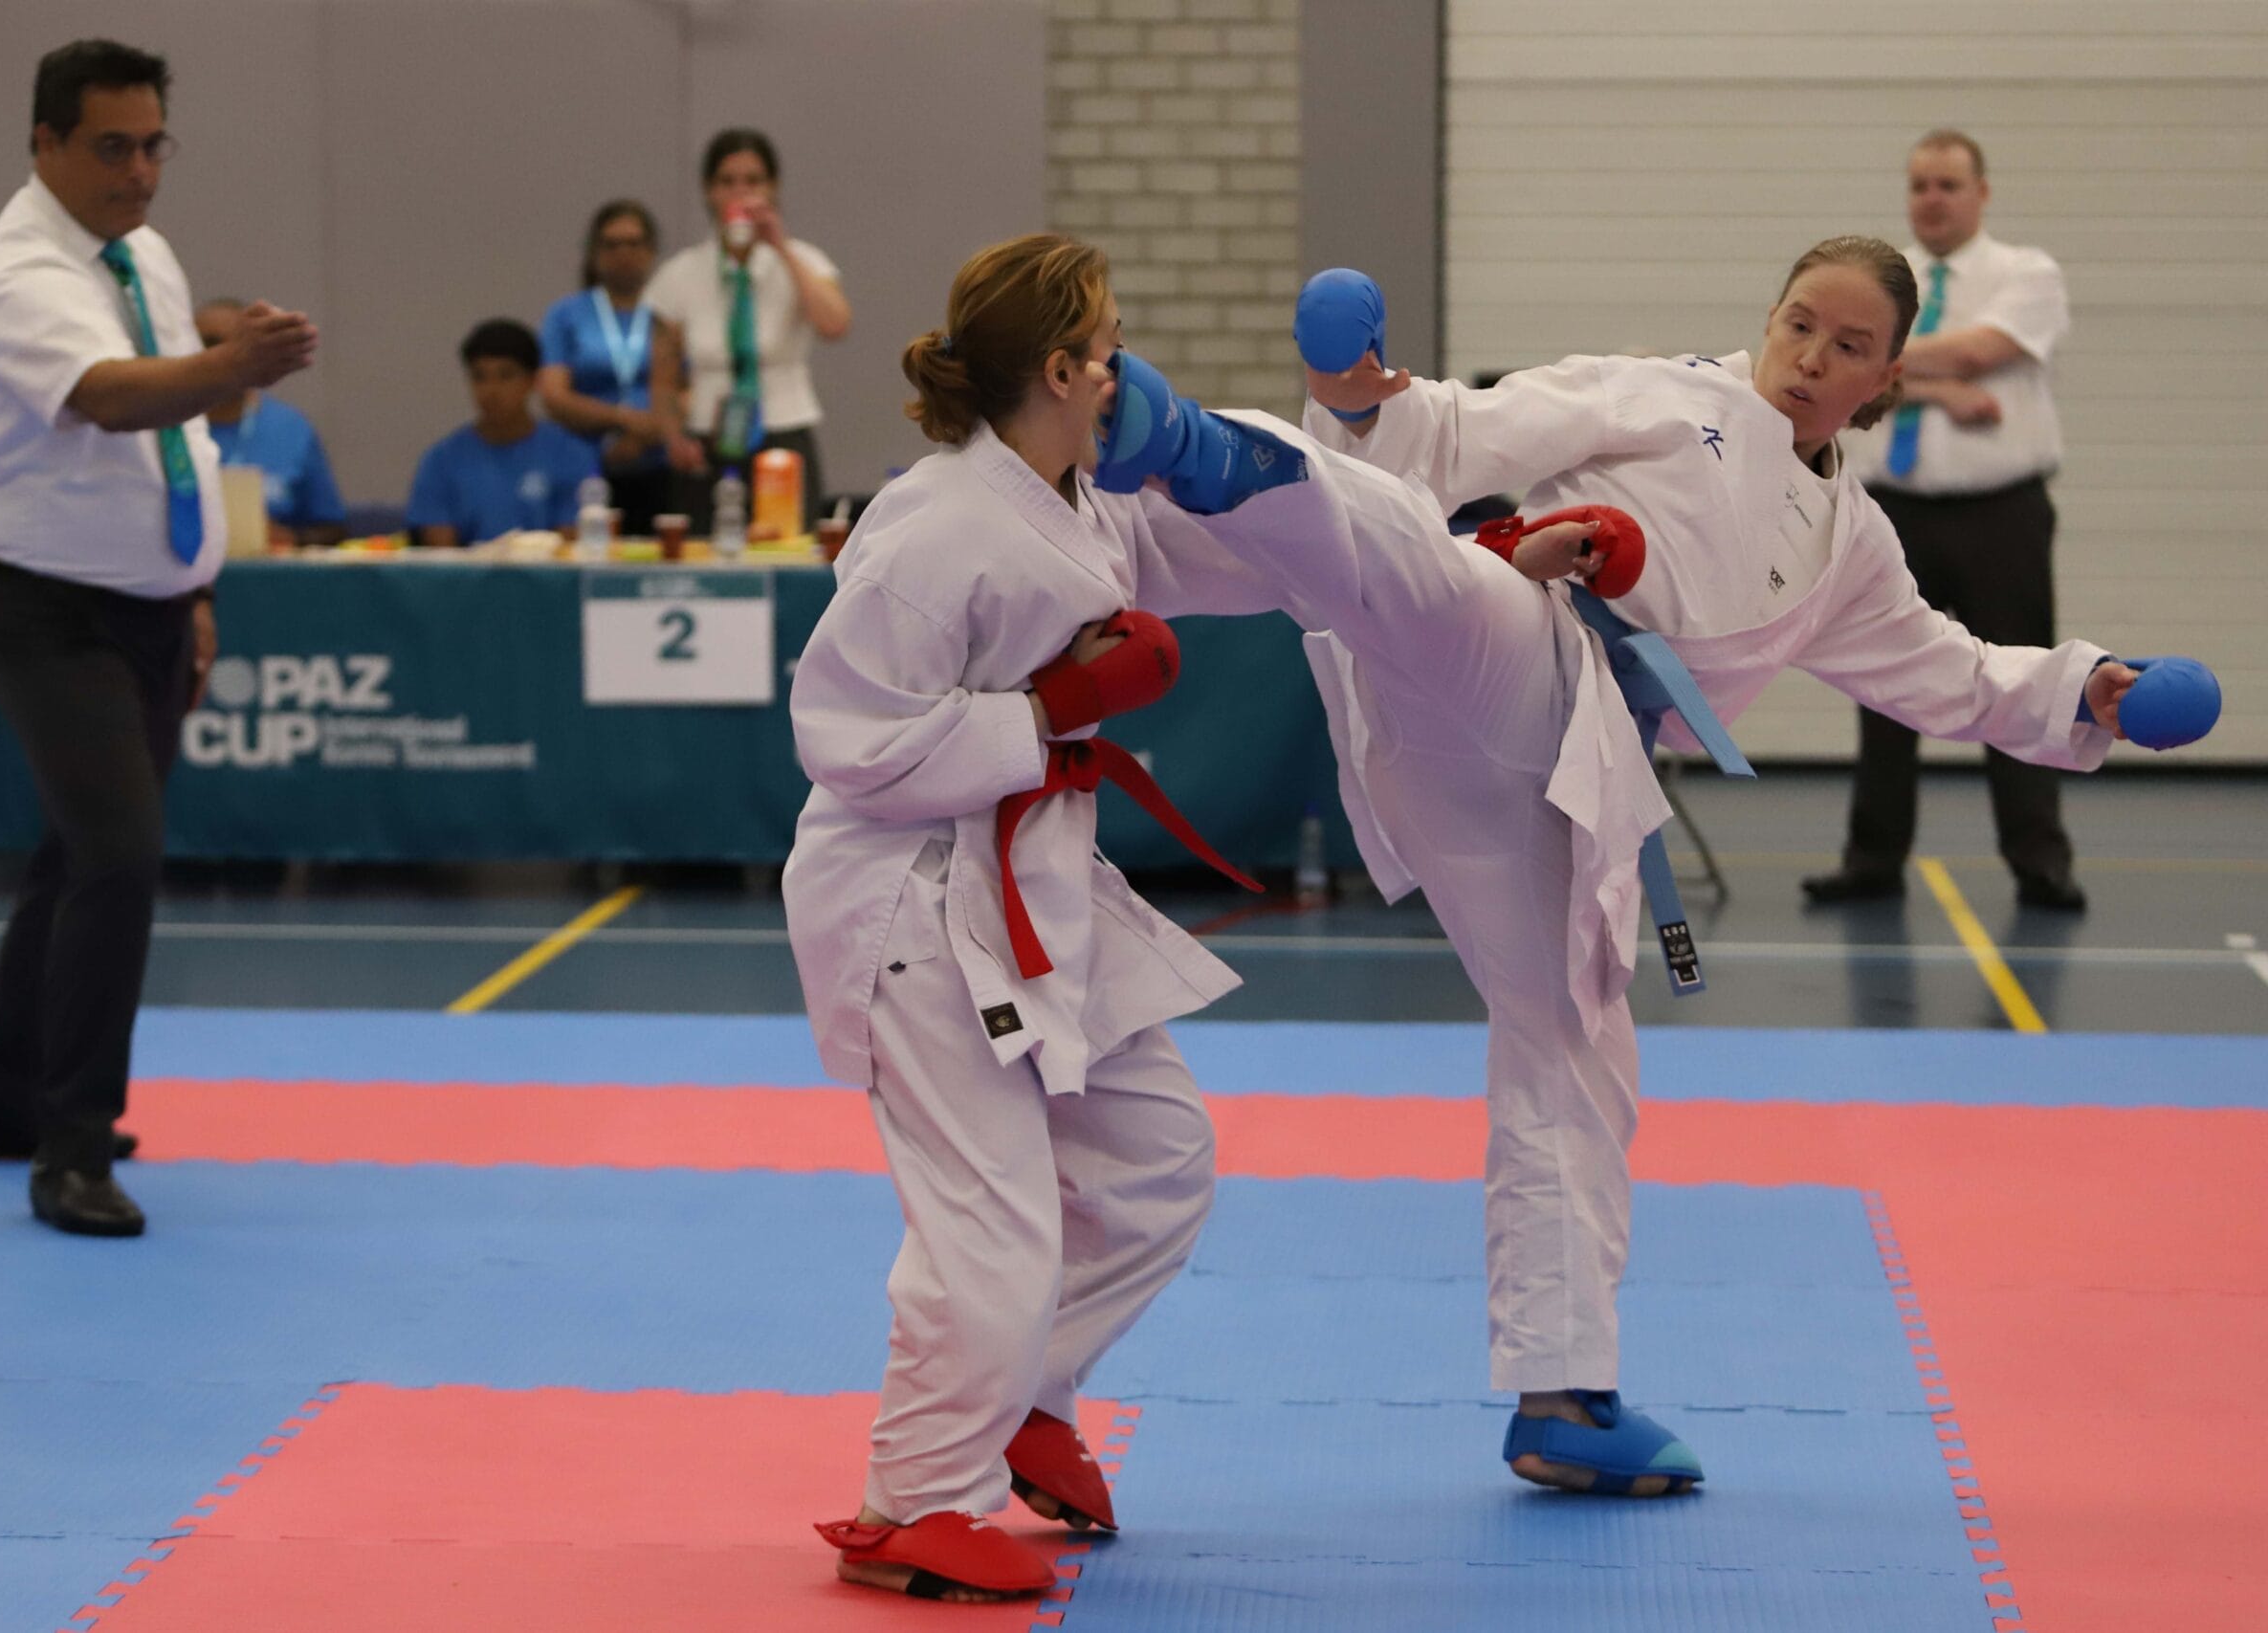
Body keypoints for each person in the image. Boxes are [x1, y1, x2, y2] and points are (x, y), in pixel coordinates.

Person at [1082, 235, 2168, 1500]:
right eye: (1800, 323)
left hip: (1571, 786)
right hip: (1519, 655)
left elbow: (1951, 670)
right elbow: (1468, 431)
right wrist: (1369, 396)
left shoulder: (1851, 547)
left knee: (1574, 1047)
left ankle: (1562, 1396)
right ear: (1769, 315)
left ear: (1885, 378)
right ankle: (1161, 468)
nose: (1811, 358)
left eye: (1849, 347)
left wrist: (2083, 688)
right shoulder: (1658, 393)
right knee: (1415, 570)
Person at [783, 232, 1289, 1603]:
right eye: (1111, 345)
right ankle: (914, 1500)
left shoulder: (1085, 495)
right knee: (991, 1222)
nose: (1126, 367)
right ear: (1061, 369)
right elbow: (842, 737)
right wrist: (1051, 708)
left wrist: (1435, 540)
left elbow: (1237, 558)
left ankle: (1027, 1391)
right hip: (911, 900)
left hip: (1030, 883)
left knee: (1160, 1158)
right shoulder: (939, 526)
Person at [0, 38, 318, 1236]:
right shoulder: (17, 272)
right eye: (113, 148)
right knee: (117, 855)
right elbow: (111, 398)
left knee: (78, 854)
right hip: (52, 612)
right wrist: (231, 362)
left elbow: (179, 430)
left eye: (154, 146)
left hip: (149, 604)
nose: (140, 171)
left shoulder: (142, 252)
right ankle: (69, 1151)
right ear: (46, 143)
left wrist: (191, 583)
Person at [1806, 131, 2083, 909]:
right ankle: (1872, 859)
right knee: (1883, 686)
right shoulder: (1877, 280)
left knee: (2022, 682)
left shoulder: (2026, 273)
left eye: (1948, 185)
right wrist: (1937, 390)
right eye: (1920, 184)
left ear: (1981, 193)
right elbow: (1849, 383)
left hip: (2001, 514)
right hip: (1890, 513)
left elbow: (1971, 353)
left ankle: (2039, 860)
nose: (1932, 199)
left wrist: (1891, 362)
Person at [647, 128, 849, 527]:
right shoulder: (680, 273)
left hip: (783, 428)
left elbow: (835, 324)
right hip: (708, 433)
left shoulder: (805, 260)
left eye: (754, 181)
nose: (740, 193)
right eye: (727, 182)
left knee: (787, 547)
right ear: (709, 190)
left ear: (773, 188)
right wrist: (673, 436)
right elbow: (663, 376)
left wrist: (780, 246)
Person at [537, 200, 678, 530]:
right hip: (585, 464)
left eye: (633, 243)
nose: (623, 253)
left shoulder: (669, 315)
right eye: (612, 244)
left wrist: (648, 431)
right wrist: (621, 419)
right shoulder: (567, 315)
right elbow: (553, 395)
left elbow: (692, 387)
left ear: (651, 250)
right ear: (594, 252)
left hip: (661, 464)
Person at [407, 318, 599, 548]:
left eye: (506, 375)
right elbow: (441, 558)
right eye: (479, 377)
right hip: (466, 572)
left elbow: (572, 551)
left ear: (533, 380)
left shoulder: (571, 455)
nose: (491, 390)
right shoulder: (440, 462)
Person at [194, 296, 345, 547]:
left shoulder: (291, 429)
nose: (214, 355)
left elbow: (332, 529)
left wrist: (292, 540)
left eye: (226, 344)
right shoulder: (158, 425)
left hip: (268, 566)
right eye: (201, 344)